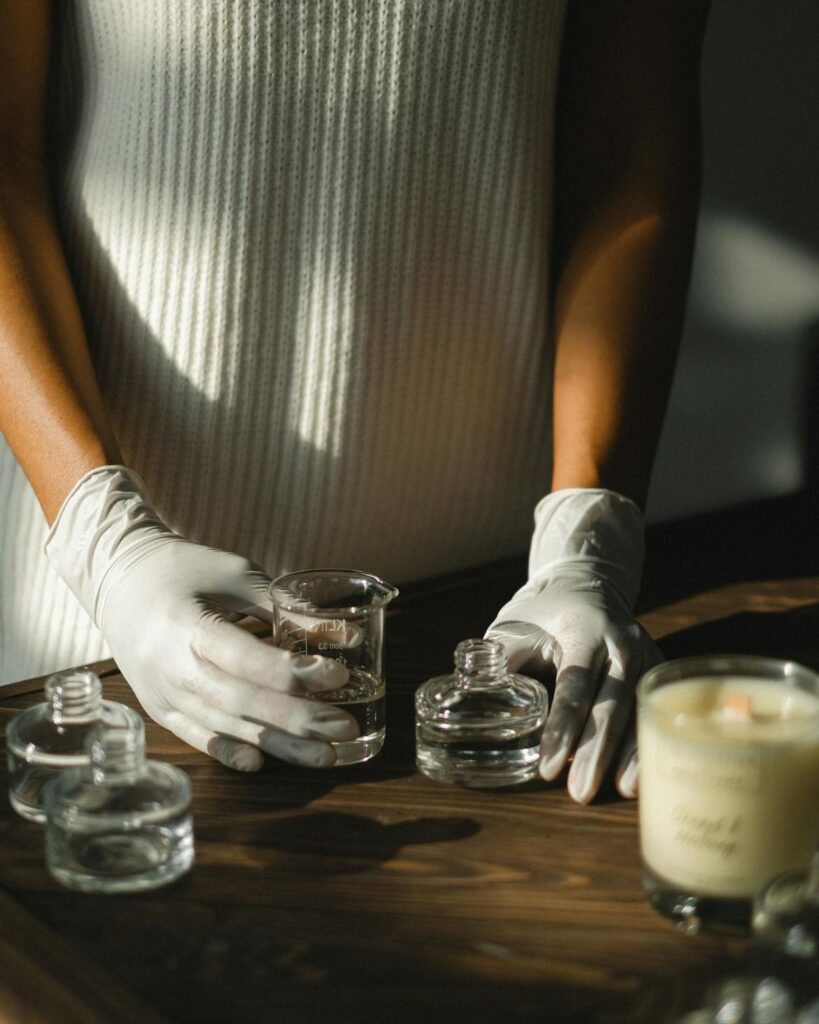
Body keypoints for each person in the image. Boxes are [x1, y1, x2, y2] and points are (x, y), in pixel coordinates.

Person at [0, 1, 710, 801]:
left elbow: (629, 144)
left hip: (502, 621)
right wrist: (105, 543)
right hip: (111, 622)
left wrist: (588, 542)